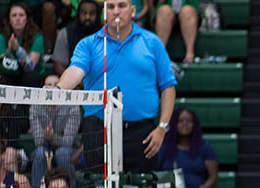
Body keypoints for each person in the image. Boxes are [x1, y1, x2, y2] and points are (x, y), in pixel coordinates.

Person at [55, 0, 177, 174]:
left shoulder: (152, 42)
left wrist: (162, 128)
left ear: (133, 11)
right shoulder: (88, 44)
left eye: (122, 6)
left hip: (142, 134)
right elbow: (75, 71)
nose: (116, 11)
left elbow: (168, 87)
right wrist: (58, 91)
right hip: (99, 130)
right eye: (110, 7)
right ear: (104, 13)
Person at [153, 107, 217, 188]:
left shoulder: (204, 147)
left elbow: (213, 178)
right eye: (180, 121)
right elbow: (155, 174)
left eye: (189, 121)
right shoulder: (164, 148)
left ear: (195, 124)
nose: (185, 124)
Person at [29, 75, 79, 188]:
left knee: (62, 153)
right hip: (44, 146)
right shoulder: (35, 107)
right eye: (48, 85)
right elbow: (38, 141)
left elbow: (68, 141)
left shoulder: (72, 107)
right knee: (41, 153)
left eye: (56, 85)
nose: (52, 89)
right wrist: (47, 138)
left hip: (67, 149)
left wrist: (53, 137)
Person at [0, 2, 47, 87]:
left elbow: (30, 66)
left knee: (30, 77)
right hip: (11, 74)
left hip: (32, 77)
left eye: (21, 15)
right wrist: (9, 52)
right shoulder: (2, 37)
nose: (18, 18)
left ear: (27, 19)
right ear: (9, 20)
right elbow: (5, 66)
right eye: (14, 15)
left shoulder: (37, 37)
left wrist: (17, 50)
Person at [50, 0, 100, 76]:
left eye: (92, 13)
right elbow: (58, 65)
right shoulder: (66, 33)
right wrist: (77, 82)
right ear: (78, 14)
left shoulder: (105, 34)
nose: (87, 17)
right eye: (84, 13)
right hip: (73, 83)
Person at [154, 0, 199, 64]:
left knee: (188, 10)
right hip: (168, 14)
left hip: (188, 13)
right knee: (164, 11)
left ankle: (189, 53)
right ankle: (160, 53)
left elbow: (196, 7)